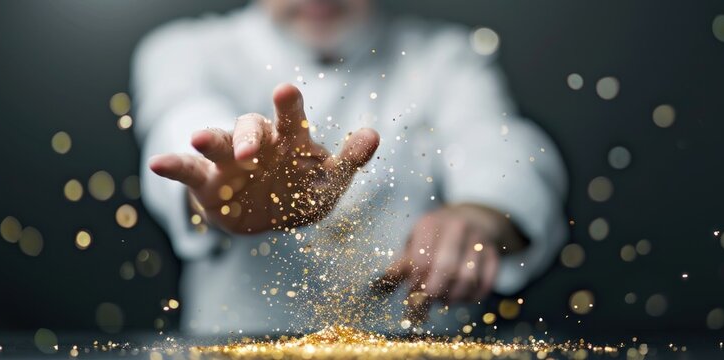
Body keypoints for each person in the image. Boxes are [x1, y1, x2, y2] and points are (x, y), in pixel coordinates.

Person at [133, 0, 567, 335]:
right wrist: (220, 179)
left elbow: (498, 144)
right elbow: (182, 120)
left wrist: (481, 214)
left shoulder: (444, 56)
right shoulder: (187, 50)